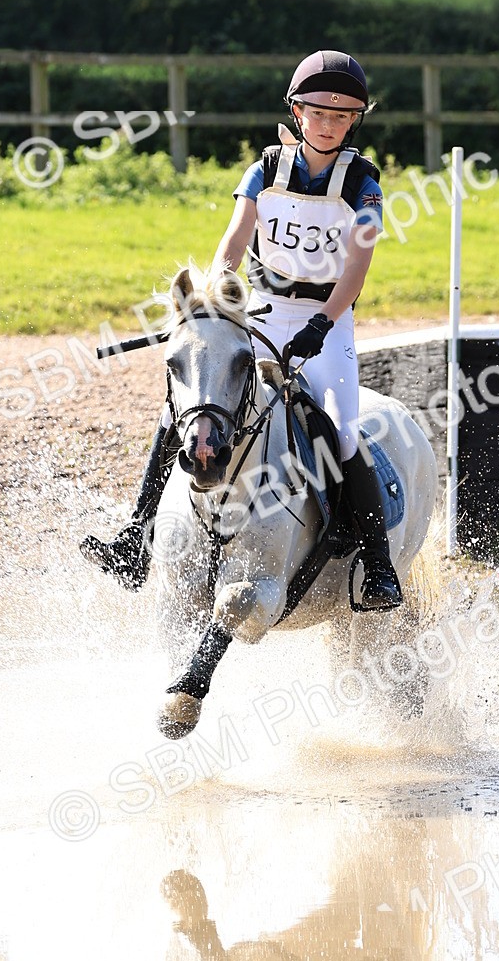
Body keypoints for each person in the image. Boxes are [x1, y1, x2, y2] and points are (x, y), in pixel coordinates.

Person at [81, 49, 402, 612]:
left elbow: (357, 265)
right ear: (297, 113)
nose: (328, 124)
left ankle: (377, 565)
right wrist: (212, 300)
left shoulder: (363, 184)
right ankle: (135, 536)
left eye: (342, 116)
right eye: (318, 113)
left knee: (343, 430)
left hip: (327, 320)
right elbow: (234, 238)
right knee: (190, 404)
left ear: (354, 121)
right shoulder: (265, 169)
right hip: (258, 312)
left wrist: (323, 323)